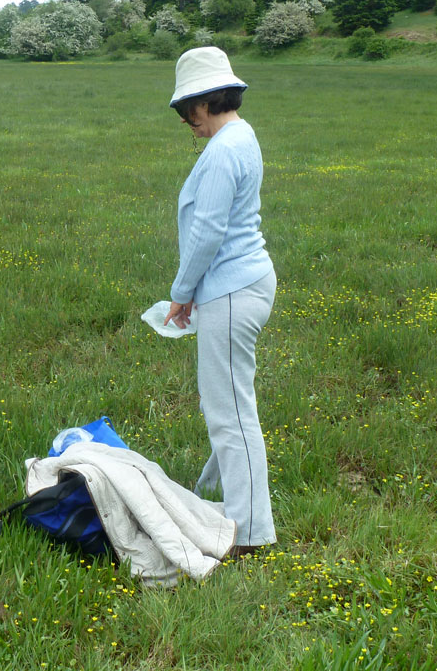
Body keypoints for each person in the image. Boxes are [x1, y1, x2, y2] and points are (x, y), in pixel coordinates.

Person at [163, 47, 277, 556]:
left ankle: (249, 532)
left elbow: (207, 233)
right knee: (227, 400)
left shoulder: (222, 150)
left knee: (231, 413)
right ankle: (211, 492)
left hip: (230, 290)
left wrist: (181, 295)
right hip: (247, 282)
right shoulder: (243, 135)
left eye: (189, 115)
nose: (191, 125)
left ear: (202, 102)